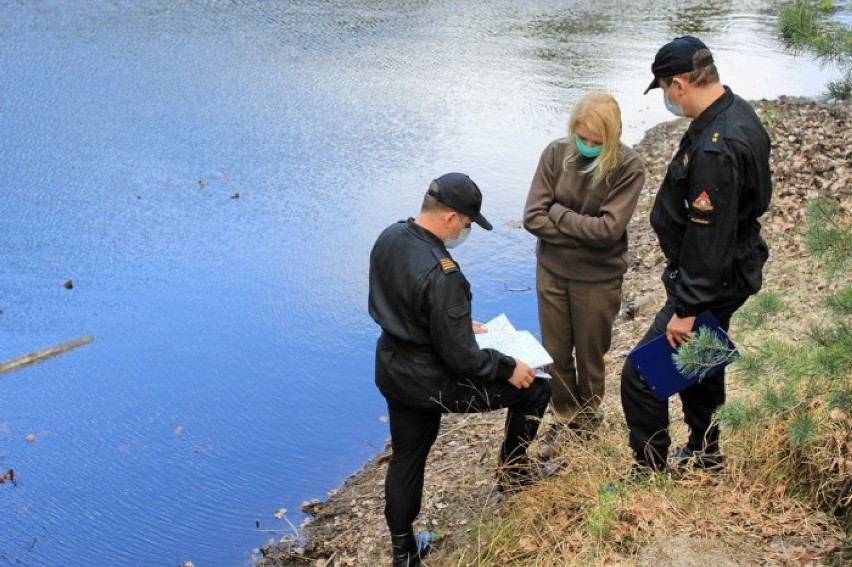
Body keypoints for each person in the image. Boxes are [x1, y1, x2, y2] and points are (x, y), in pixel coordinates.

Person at [368, 172, 551, 567]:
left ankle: (403, 555)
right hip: (431, 379)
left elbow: (399, 302)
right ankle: (515, 474)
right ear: (450, 217)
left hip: (393, 368)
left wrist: (446, 323)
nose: (466, 230)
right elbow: (464, 360)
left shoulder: (389, 237)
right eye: (468, 223)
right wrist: (508, 368)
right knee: (535, 389)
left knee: (406, 456)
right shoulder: (443, 272)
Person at [620, 36, 771, 474]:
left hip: (709, 281)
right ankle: (707, 452)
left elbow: (710, 237)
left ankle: (648, 471)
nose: (668, 98)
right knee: (700, 360)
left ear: (681, 84)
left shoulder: (716, 147)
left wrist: (687, 306)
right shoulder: (734, 111)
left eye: (666, 89)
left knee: (642, 376)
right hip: (723, 272)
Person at [523, 92, 646, 443]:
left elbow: (608, 230)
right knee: (554, 353)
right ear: (573, 129)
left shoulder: (628, 166)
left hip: (598, 278)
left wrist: (558, 213)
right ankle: (564, 414)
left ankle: (588, 421)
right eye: (583, 138)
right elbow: (532, 216)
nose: (588, 145)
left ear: (614, 137)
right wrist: (583, 233)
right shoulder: (555, 153)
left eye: (597, 141)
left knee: (591, 354)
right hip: (552, 271)